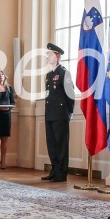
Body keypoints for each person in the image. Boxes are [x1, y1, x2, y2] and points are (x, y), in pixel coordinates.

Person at [42, 43, 74, 182]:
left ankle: (62, 173)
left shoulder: (64, 73)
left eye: (50, 55)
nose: (47, 57)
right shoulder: (49, 75)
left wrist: (70, 112)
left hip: (61, 114)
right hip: (50, 113)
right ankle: (54, 170)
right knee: (52, 144)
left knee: (61, 144)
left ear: (57, 56)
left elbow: (70, 94)